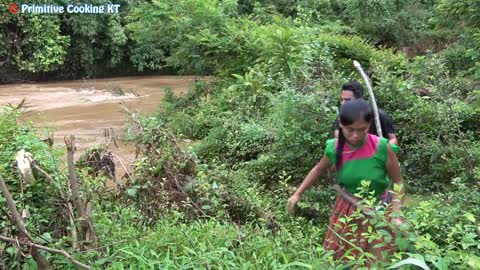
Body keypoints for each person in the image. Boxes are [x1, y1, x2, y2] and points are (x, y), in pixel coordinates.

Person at [287, 99, 405, 265]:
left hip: (379, 208)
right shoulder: (335, 148)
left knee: (377, 260)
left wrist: (396, 214)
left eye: (362, 129)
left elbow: (398, 181)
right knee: (342, 258)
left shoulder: (382, 148)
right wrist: (297, 194)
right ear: (341, 124)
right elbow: (318, 169)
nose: (355, 135)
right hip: (348, 208)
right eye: (350, 130)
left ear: (369, 124)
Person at [334, 81, 399, 146]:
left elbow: (393, 139)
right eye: (341, 100)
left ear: (359, 99)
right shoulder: (342, 117)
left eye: (348, 100)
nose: (343, 103)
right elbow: (338, 139)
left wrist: (382, 151)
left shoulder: (379, 115)